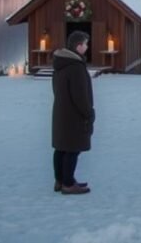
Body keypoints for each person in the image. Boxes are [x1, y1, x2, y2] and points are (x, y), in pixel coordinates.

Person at [52, 31, 94, 195]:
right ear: (78, 46)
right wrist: (88, 113)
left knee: (61, 147)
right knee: (72, 148)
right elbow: (80, 95)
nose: (87, 47)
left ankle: (60, 180)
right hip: (74, 115)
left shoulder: (60, 65)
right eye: (85, 44)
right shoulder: (75, 67)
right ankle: (68, 184)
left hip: (61, 112)